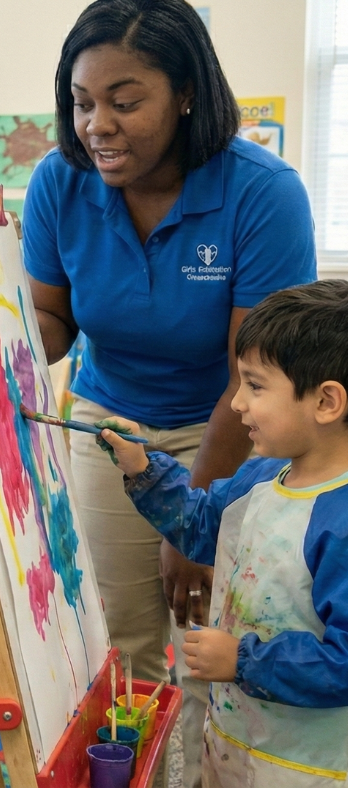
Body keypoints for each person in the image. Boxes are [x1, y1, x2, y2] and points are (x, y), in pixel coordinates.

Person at [22, 1, 316, 783]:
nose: (98, 126)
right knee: (123, 634)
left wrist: (193, 510)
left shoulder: (263, 193)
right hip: (107, 421)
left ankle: (207, 768)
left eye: (125, 102)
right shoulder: (59, 182)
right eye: (83, 104)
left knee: (212, 637)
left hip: (235, 428)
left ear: (186, 93)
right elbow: (51, 318)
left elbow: (252, 374)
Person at [97, 280, 348, 786]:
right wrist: (144, 468)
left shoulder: (339, 523)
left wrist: (243, 660)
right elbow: (196, 525)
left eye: (255, 386)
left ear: (326, 402)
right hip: (232, 741)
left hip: (306, 767)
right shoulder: (259, 479)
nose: (236, 403)